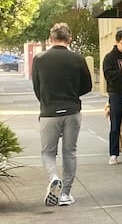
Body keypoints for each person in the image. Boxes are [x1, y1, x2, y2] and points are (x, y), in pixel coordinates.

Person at [31, 23, 93, 207]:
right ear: (69, 38)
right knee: (70, 152)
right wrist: (73, 94)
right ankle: (65, 193)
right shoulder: (78, 59)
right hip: (72, 111)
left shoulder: (40, 59)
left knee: (48, 152)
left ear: (51, 39)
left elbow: (37, 86)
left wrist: (47, 101)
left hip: (49, 112)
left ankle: (53, 177)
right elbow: (88, 85)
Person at [102, 29, 122, 165]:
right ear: (117, 42)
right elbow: (109, 75)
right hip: (116, 93)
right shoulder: (110, 58)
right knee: (115, 123)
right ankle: (114, 153)